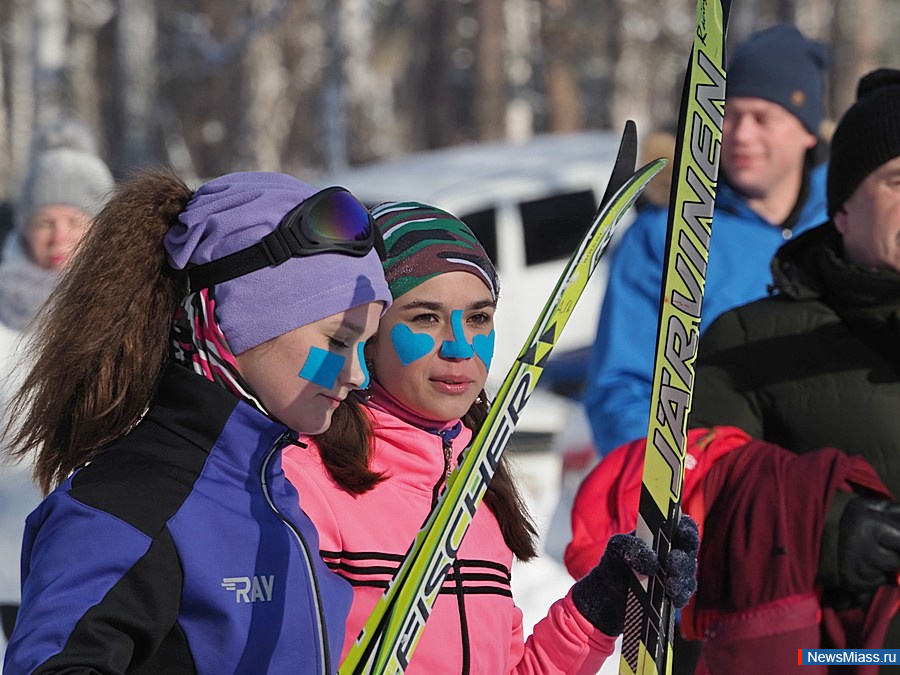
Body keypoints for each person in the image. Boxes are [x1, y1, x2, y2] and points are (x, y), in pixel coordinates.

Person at [2, 169, 393, 673]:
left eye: (366, 346)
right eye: (338, 341)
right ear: (230, 324)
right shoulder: (125, 507)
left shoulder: (278, 495)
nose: (358, 375)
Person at [283, 201, 699, 673]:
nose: (460, 347)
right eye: (425, 318)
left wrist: (602, 602)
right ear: (369, 334)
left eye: (478, 318)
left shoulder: (476, 491)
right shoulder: (303, 482)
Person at [687, 67, 900, 657]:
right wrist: (826, 532)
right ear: (843, 210)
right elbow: (690, 504)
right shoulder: (747, 341)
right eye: (897, 180)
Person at [583, 24, 829, 455]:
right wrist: (671, 482)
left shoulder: (846, 225)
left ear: (807, 131)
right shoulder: (666, 235)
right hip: (714, 489)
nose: (741, 134)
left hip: (834, 490)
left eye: (762, 117)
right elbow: (620, 386)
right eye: (728, 115)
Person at [0, 119, 114, 652]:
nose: (59, 235)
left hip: (100, 535)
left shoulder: (126, 310)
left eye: (75, 218)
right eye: (45, 220)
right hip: (5, 538)